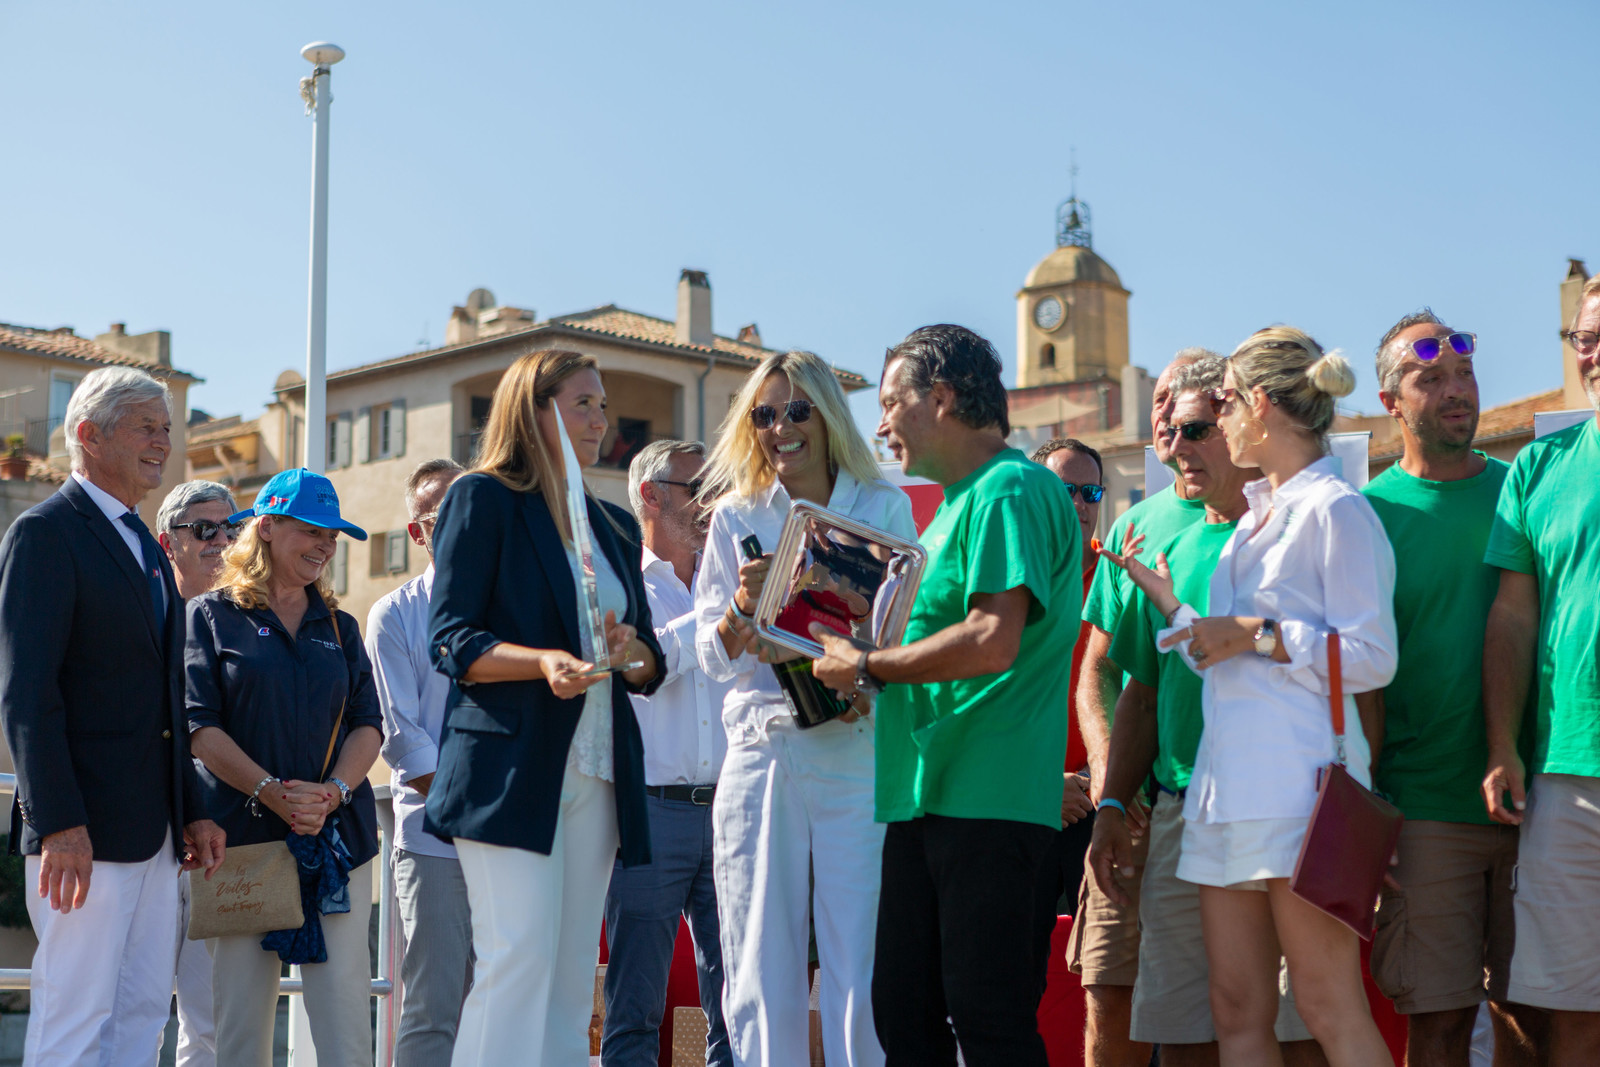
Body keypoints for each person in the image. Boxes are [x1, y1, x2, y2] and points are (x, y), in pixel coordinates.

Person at [1101, 326, 1396, 1067]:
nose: (1206, 423)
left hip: (1300, 791)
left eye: (1223, 403)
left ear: (1259, 405)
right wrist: (1173, 609)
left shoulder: (1336, 508)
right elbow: (1228, 660)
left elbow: (1373, 657)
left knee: (1329, 1005)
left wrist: (1258, 632)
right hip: (1222, 791)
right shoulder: (1251, 524)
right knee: (1236, 1011)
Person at [812, 324, 1081, 1066]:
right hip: (930, 795)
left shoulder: (1012, 487)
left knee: (986, 1022)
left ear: (942, 396)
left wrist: (870, 664)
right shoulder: (966, 501)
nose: (881, 421)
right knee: (906, 1013)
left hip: (987, 798)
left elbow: (993, 637)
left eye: (893, 400)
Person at [425, 349, 663, 1066]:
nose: (601, 418)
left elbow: (648, 658)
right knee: (518, 956)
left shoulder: (615, 525)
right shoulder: (482, 497)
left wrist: (631, 653)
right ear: (534, 408)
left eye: (602, 403)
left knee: (566, 980)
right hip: (508, 766)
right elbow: (451, 638)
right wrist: (541, 663)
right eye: (583, 402)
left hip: (596, 770)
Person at [1089, 359, 1322, 1066]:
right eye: (1169, 431)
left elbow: (1359, 670)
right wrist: (1109, 805)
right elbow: (1142, 688)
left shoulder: (1299, 524)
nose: (1174, 445)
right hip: (1184, 811)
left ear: (1241, 425)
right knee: (1192, 1031)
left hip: (1292, 812)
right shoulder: (1166, 539)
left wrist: (1364, 804)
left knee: (1304, 1029)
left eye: (1194, 429)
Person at [693, 349, 914, 1067]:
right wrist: (741, 606)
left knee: (860, 946)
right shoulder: (735, 514)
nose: (780, 427)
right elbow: (709, 653)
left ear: (826, 414)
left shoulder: (884, 504)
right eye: (763, 414)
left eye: (797, 410)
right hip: (762, 744)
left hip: (854, 738)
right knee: (758, 950)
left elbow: (903, 627)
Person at [0, 367, 225, 1067]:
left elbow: (163, 697)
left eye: (167, 428)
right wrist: (59, 821)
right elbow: (27, 691)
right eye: (146, 427)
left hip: (155, 837)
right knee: (75, 1018)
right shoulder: (44, 533)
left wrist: (189, 809)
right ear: (89, 435)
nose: (163, 442)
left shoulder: (148, 553)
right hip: (83, 835)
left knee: (138, 1015)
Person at [1359, 311, 1548, 1066]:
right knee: (1435, 1025)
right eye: (1427, 377)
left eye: (1463, 374)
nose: (1454, 390)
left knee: (1532, 1020)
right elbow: (1355, 678)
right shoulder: (1367, 516)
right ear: (1389, 402)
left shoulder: (1523, 490)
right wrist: (1371, 810)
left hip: (1541, 805)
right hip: (1423, 810)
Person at [185, 466, 382, 1067]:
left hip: (336, 840)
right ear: (265, 527)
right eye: (313, 529)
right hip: (244, 843)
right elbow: (198, 726)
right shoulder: (210, 616)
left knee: (347, 1026)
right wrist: (271, 792)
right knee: (240, 1029)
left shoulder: (341, 627)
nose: (326, 544)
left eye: (334, 535)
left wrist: (332, 794)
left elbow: (367, 725)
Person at [1069, 348, 1213, 1067]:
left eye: (1182, 402)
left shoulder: (1268, 514)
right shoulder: (1133, 525)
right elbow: (1101, 673)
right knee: (1111, 999)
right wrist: (1111, 791)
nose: (1166, 415)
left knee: (1234, 1015)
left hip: (1231, 806)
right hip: (1139, 804)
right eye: (1159, 400)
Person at [1481, 273, 1600, 1067]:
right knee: (1571, 1011)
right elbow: (1514, 619)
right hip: (1565, 771)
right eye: (1582, 337)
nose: (1591, 352)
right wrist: (1502, 743)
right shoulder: (1539, 466)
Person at [604, 440, 733, 1067]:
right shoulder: (614, 578)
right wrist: (721, 617)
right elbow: (634, 663)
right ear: (650, 495)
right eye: (697, 488)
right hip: (649, 813)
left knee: (739, 1000)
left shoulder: (734, 575)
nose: (711, 502)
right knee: (634, 1006)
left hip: (735, 807)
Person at [366, 457, 474, 1067]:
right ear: (418, 533)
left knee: (505, 1000)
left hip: (514, 839)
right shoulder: (394, 615)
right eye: (442, 510)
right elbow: (402, 737)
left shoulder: (514, 607)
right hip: (436, 839)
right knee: (433, 1009)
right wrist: (475, 809)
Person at [156, 478, 242, 1067]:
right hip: (149, 837)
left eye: (229, 528)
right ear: (169, 542)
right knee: (130, 1001)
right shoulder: (143, 614)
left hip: (222, 841)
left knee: (211, 1017)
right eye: (203, 529)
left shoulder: (245, 623)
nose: (220, 540)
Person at [1025, 438, 1102, 992]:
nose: (1077, 503)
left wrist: (1097, 781)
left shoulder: (1121, 577)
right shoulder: (999, 580)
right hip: (1019, 801)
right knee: (1008, 984)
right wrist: (1038, 782)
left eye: (1090, 491)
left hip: (1104, 805)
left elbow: (1143, 696)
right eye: (1063, 489)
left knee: (1113, 978)